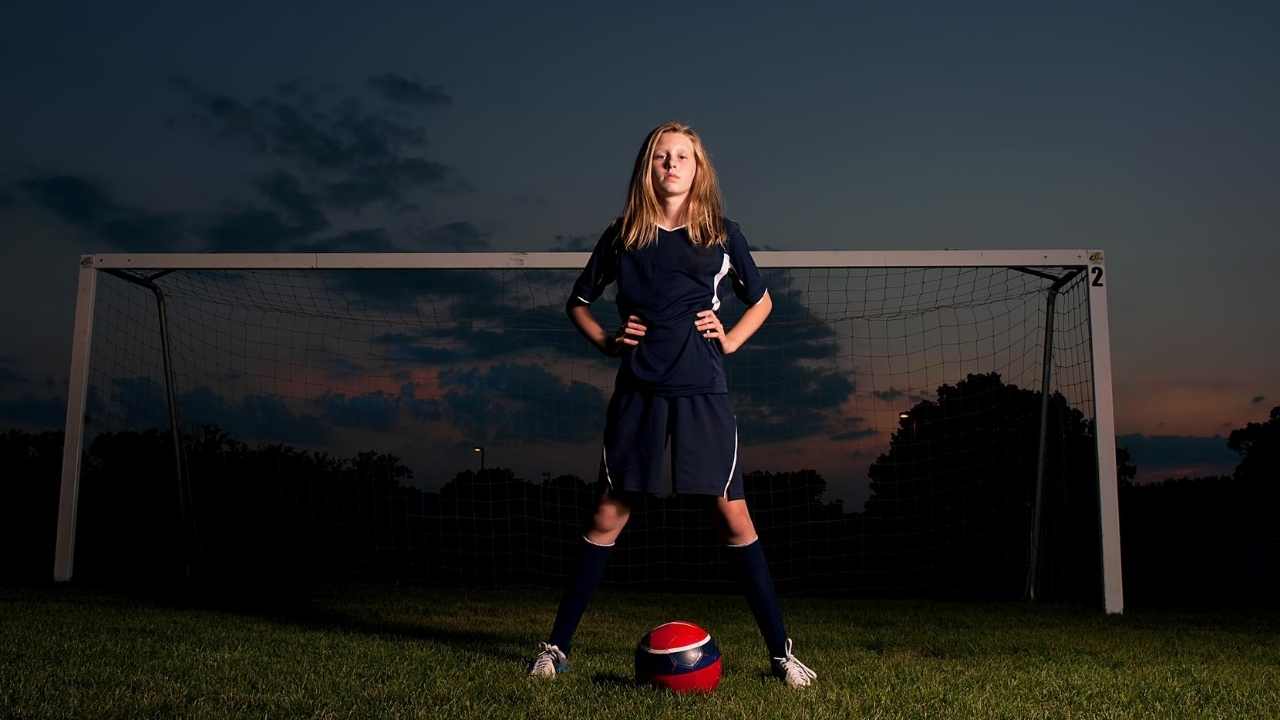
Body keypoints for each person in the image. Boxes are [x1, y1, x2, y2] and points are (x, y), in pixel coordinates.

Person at [527, 121, 816, 688]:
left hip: (703, 389)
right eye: (661, 157)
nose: (671, 165)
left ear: (698, 167)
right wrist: (609, 342)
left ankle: (782, 654)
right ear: (648, 167)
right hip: (639, 388)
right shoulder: (622, 236)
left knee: (733, 511)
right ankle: (555, 648)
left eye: (682, 156)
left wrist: (729, 339)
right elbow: (578, 303)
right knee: (609, 513)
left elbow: (761, 302)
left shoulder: (722, 234)